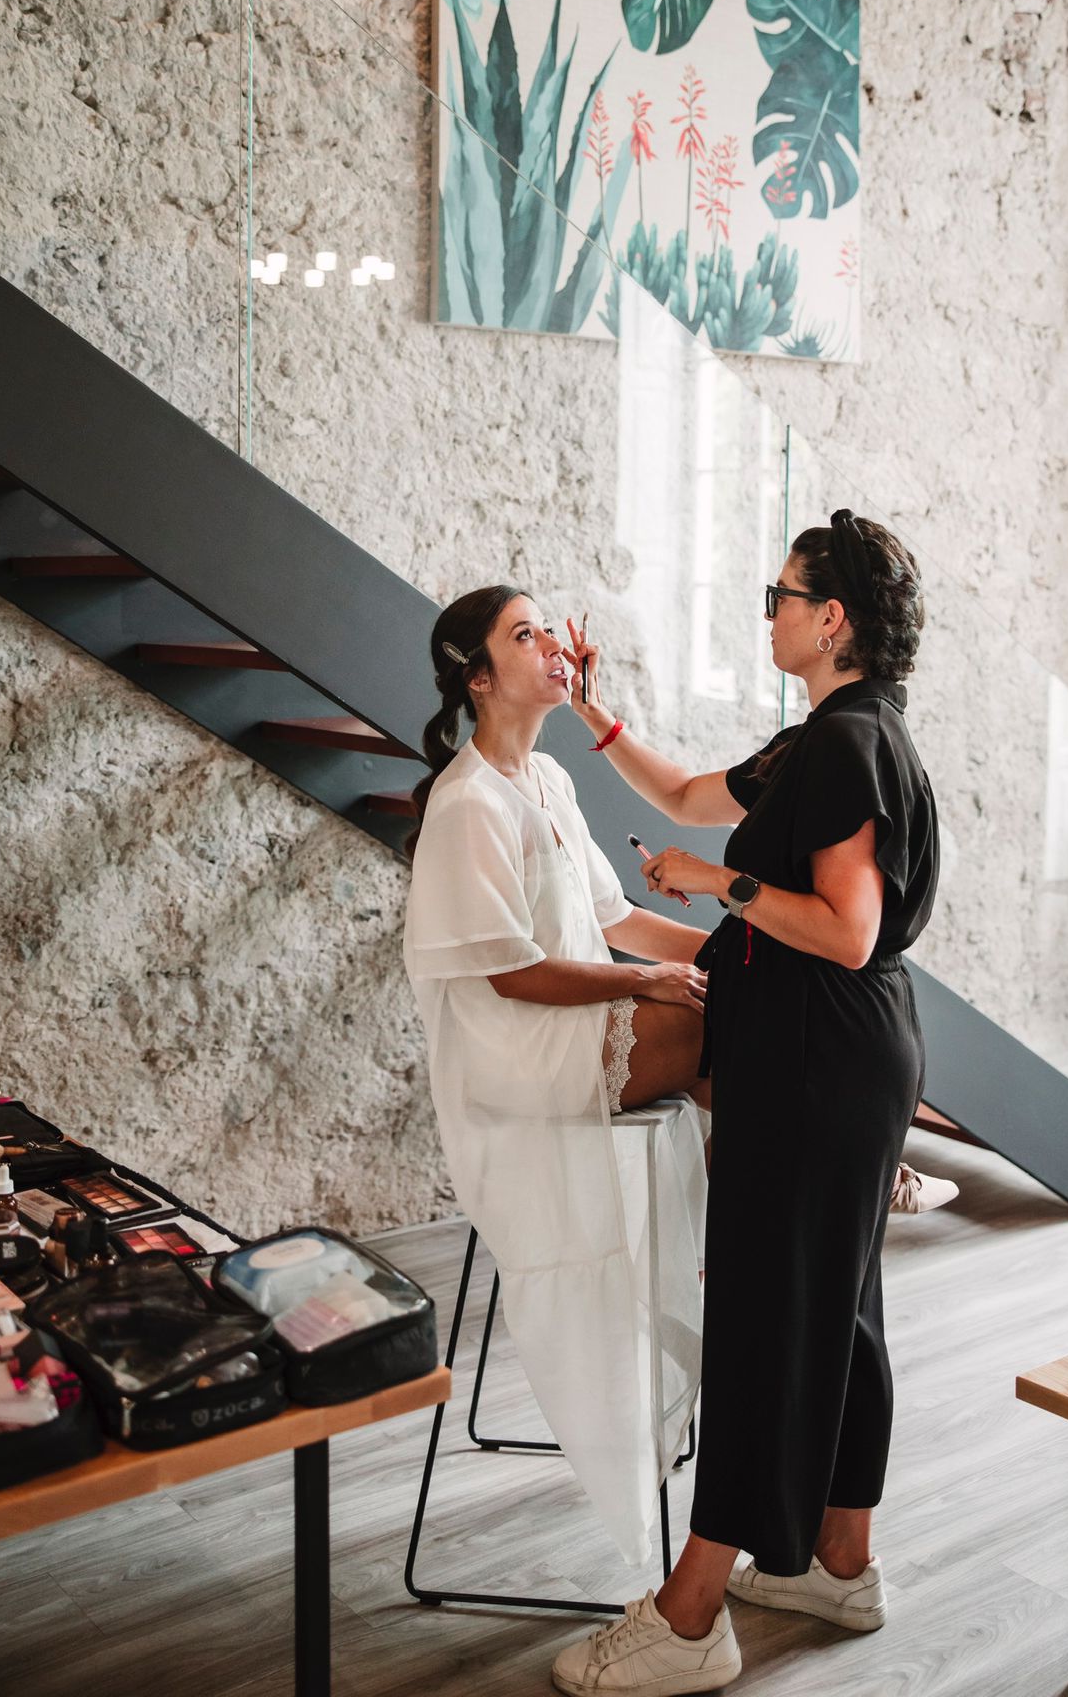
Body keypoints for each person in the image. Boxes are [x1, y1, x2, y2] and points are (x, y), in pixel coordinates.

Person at [550, 512, 940, 1697]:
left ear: (832, 617)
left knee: (767, 1320)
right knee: (838, 1310)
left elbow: (846, 928)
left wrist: (716, 881)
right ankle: (837, 1562)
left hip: (819, 1058)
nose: (766, 612)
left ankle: (689, 1614)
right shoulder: (829, 736)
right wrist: (591, 712)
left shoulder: (848, 745)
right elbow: (679, 790)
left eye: (780, 596)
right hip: (837, 1053)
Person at [401, 586, 713, 1567]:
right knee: (722, 1028)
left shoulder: (547, 777)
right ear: (479, 677)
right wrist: (650, 980)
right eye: (524, 634)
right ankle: (773, 1226)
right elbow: (510, 972)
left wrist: (739, 948)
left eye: (549, 628)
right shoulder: (468, 802)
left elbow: (616, 918)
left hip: (571, 1020)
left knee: (747, 998)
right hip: (517, 1050)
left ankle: (755, 1229)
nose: (551, 645)